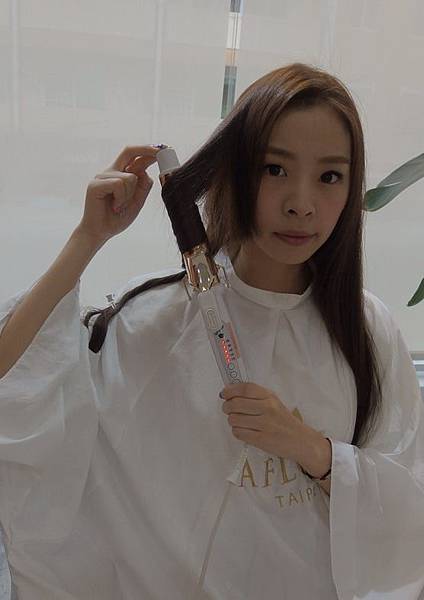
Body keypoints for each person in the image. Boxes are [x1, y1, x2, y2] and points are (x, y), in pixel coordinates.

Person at [0, 62, 423, 600]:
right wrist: (87, 238)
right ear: (235, 169)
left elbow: (407, 509)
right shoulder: (156, 319)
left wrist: (312, 450)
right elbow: (16, 387)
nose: (301, 203)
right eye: (274, 169)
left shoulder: (366, 330)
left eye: (329, 177)